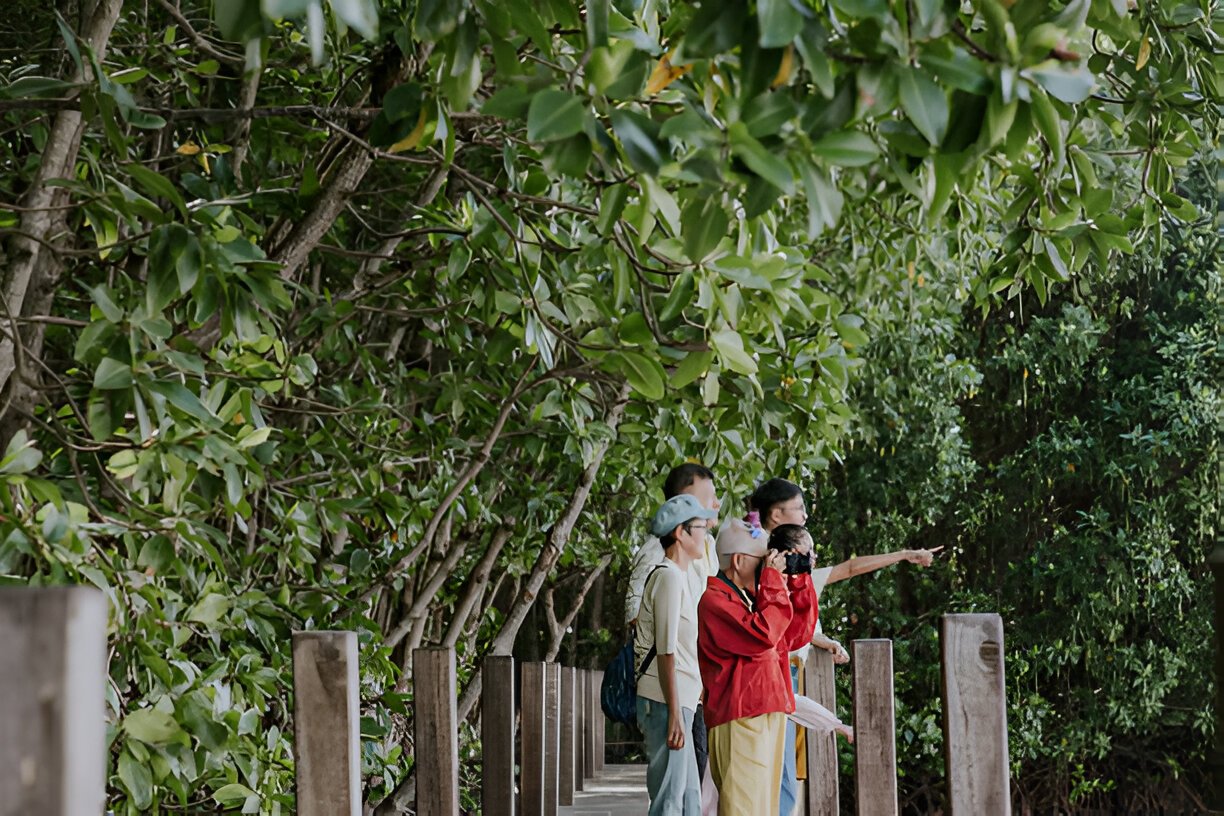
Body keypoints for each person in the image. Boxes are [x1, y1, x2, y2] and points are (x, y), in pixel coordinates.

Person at [750, 478, 941, 816]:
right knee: (777, 779)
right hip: (766, 679)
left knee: (782, 778)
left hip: (785, 676)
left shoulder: (796, 564)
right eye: (799, 508)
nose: (806, 516)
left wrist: (902, 555)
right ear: (776, 514)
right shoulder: (759, 564)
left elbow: (847, 570)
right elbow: (768, 625)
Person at [697, 516, 818, 815]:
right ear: (738, 561)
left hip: (768, 710)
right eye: (764, 558)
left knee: (764, 807)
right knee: (744, 808)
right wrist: (774, 582)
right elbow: (763, 634)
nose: (770, 565)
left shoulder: (754, 598)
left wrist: (798, 579)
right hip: (739, 718)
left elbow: (794, 634)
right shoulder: (715, 601)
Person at [627, 463, 721, 781]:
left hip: (694, 682)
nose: (715, 504)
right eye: (708, 497)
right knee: (676, 784)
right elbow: (637, 619)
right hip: (672, 687)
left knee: (693, 778)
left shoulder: (704, 549)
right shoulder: (658, 556)